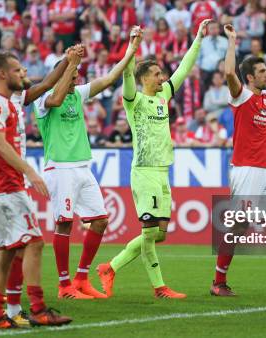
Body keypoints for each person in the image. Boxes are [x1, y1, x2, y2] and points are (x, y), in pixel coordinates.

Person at [97, 19, 212, 299]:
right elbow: (126, 75)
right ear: (145, 78)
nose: (163, 78)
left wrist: (198, 38)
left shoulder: (164, 97)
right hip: (144, 172)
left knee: (160, 233)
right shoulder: (133, 100)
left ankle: (109, 267)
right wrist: (133, 47)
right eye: (158, 74)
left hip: (163, 172)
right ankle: (159, 287)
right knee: (149, 233)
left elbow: (184, 68)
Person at [36, 27, 141, 299]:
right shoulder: (42, 101)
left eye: (77, 74)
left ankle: (82, 278)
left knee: (100, 220)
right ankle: (63, 286)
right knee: (64, 223)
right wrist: (70, 62)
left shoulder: (77, 93)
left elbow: (109, 79)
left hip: (82, 166)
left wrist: (130, 49)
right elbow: (56, 97)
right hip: (59, 168)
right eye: (72, 74)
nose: (76, 77)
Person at [0, 51, 72, 328]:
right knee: (34, 242)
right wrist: (30, 171)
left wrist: (68, 61)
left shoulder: (8, 102)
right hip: (4, 185)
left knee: (7, 250)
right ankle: (38, 308)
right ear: (3, 75)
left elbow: (43, 85)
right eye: (18, 70)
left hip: (4, 184)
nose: (24, 74)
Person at [210, 25, 266, 297]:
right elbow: (228, 72)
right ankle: (218, 282)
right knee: (239, 225)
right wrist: (232, 41)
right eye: (261, 72)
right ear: (249, 77)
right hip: (247, 169)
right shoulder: (242, 95)